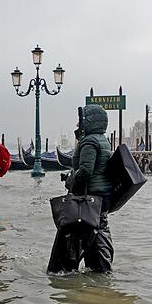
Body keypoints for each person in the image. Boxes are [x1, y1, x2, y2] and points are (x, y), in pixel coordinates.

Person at [48, 104, 114, 273]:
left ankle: (99, 269)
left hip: (91, 194)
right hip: (101, 195)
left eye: (81, 120)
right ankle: (98, 271)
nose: (78, 124)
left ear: (89, 121)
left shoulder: (90, 142)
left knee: (92, 231)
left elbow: (85, 171)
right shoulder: (102, 139)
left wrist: (71, 179)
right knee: (96, 229)